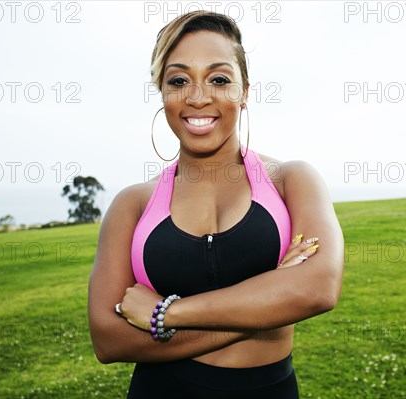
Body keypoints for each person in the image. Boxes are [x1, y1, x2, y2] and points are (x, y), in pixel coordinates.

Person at [88, 10, 344, 399]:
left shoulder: (290, 181)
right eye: (178, 80)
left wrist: (165, 314)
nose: (198, 96)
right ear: (163, 94)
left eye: (219, 79)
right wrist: (270, 302)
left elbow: (318, 288)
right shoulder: (133, 204)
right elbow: (108, 340)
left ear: (244, 93)